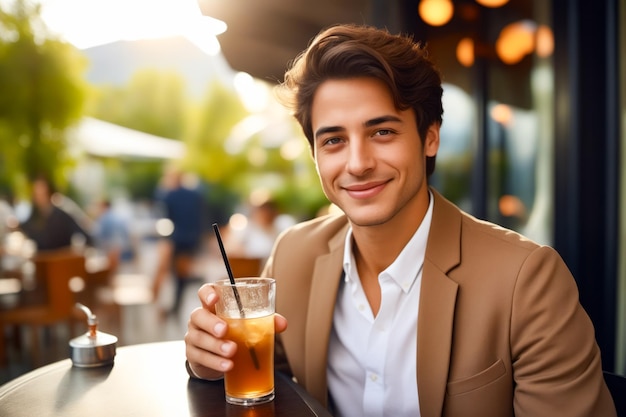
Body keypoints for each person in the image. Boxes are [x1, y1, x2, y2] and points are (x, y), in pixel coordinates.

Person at [184, 24, 616, 417]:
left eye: (382, 132)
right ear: (315, 154)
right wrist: (211, 360)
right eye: (333, 140)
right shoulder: (295, 253)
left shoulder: (528, 280)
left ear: (430, 138)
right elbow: (261, 375)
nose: (357, 163)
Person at [153, 167, 205, 316]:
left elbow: (165, 218)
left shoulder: (169, 195)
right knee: (181, 274)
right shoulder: (195, 194)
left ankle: (170, 306)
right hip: (192, 239)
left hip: (175, 239)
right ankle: (176, 305)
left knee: (171, 272)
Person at [20, 176, 93, 252]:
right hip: (42, 261)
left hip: (62, 260)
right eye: (36, 194)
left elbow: (83, 234)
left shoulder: (62, 215)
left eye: (43, 193)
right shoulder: (34, 218)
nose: (40, 197)